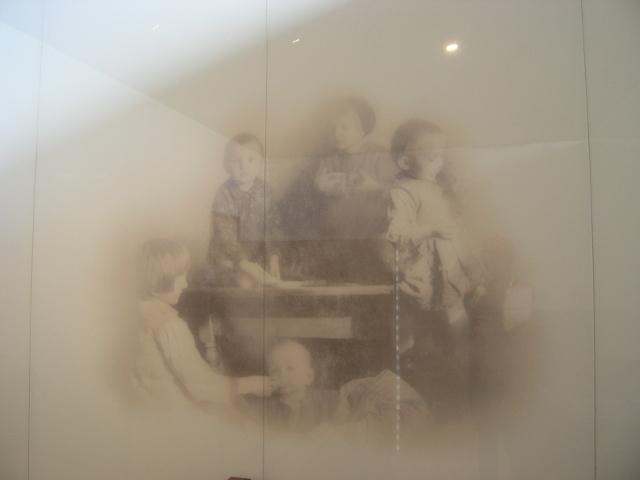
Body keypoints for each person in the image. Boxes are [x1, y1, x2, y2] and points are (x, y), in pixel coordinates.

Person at [386, 120, 484, 413]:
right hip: (421, 277)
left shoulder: (440, 188)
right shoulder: (402, 192)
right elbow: (396, 232)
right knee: (410, 340)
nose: (438, 162)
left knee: (458, 334)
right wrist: (429, 230)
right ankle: (409, 400)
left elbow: (460, 232)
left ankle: (461, 397)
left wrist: (476, 276)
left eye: (441, 156)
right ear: (406, 161)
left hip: (449, 274)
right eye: (431, 158)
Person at [131, 238, 271, 411]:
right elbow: (201, 387)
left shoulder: (136, 314)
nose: (185, 283)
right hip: (172, 413)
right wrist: (250, 384)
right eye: (180, 277)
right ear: (161, 279)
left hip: (144, 407)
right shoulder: (168, 324)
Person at [208, 133, 282, 287]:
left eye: (251, 159)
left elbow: (273, 227)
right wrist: (243, 263)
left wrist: (273, 256)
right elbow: (225, 235)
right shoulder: (224, 194)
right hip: (229, 254)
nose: (244, 166)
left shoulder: (266, 191)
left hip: (257, 253)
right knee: (242, 281)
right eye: (236, 161)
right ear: (226, 165)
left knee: (274, 275)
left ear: (261, 163)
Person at [263, 340, 339, 433]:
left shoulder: (326, 400)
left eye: (290, 368)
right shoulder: (266, 407)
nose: (282, 374)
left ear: (308, 377)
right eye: (275, 370)